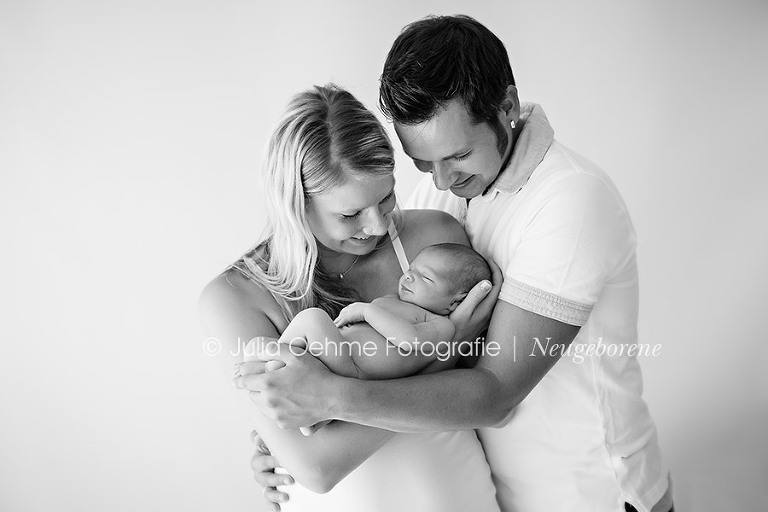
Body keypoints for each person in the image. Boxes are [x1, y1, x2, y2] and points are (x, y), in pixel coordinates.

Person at [239, 15, 674, 512]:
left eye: (458, 155)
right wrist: (290, 444)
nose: (441, 180)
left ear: (507, 107)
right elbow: (420, 358)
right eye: (422, 163)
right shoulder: (444, 196)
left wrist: (328, 399)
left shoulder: (570, 201)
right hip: (500, 496)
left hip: (591, 494)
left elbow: (494, 392)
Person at [200, 84, 502, 512]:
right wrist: (443, 354)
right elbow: (317, 468)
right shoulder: (236, 297)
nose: (378, 226)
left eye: (386, 197)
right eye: (350, 214)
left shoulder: (432, 243)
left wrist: (339, 402)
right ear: (294, 205)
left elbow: (483, 396)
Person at [265, 243, 492, 382]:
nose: (409, 276)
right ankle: (277, 373)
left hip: (354, 370)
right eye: (411, 268)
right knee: (298, 342)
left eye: (426, 277)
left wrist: (366, 311)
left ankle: (272, 365)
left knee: (312, 318)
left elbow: (409, 340)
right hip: (335, 355)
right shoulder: (392, 300)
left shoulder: (441, 325)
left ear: (455, 302)